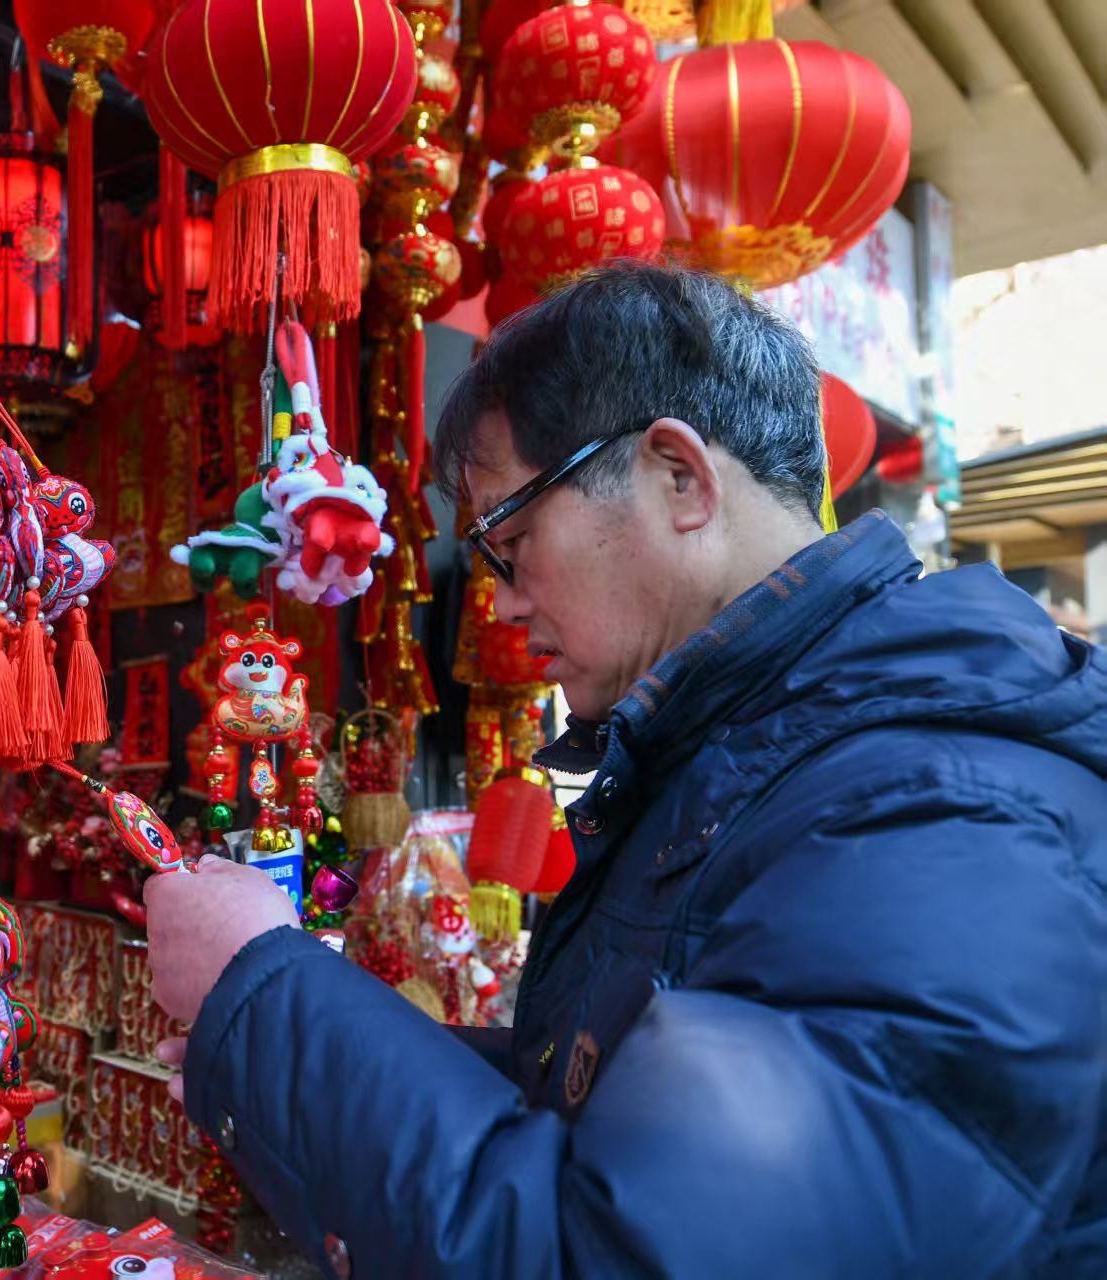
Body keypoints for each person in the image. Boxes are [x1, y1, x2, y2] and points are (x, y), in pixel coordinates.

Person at [143, 260, 1107, 1278]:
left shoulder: (935, 809)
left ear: (678, 479)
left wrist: (267, 995)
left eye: (512, 540)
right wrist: (277, 1044)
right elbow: (609, 1118)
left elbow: (632, 1251)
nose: (501, 603)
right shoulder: (761, 755)